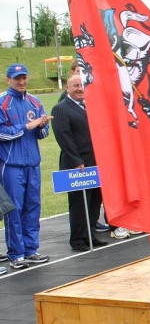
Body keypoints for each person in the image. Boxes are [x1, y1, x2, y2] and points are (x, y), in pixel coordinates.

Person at [0, 64, 52, 269]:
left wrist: (42, 126)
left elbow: (43, 134)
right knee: (14, 209)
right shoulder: (3, 102)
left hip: (33, 164)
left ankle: (31, 249)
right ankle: (16, 253)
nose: (21, 82)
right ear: (8, 80)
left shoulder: (35, 101)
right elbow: (1, 133)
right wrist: (26, 126)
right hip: (11, 165)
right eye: (17, 78)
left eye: (24, 78)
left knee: (32, 207)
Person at [51, 75, 108, 252]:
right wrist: (76, 160)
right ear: (67, 88)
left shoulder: (90, 105)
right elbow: (63, 137)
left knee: (94, 201)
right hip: (77, 165)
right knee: (79, 204)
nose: (79, 88)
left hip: (95, 163)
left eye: (82, 85)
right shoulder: (61, 108)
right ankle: (78, 239)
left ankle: (90, 234)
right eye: (75, 85)